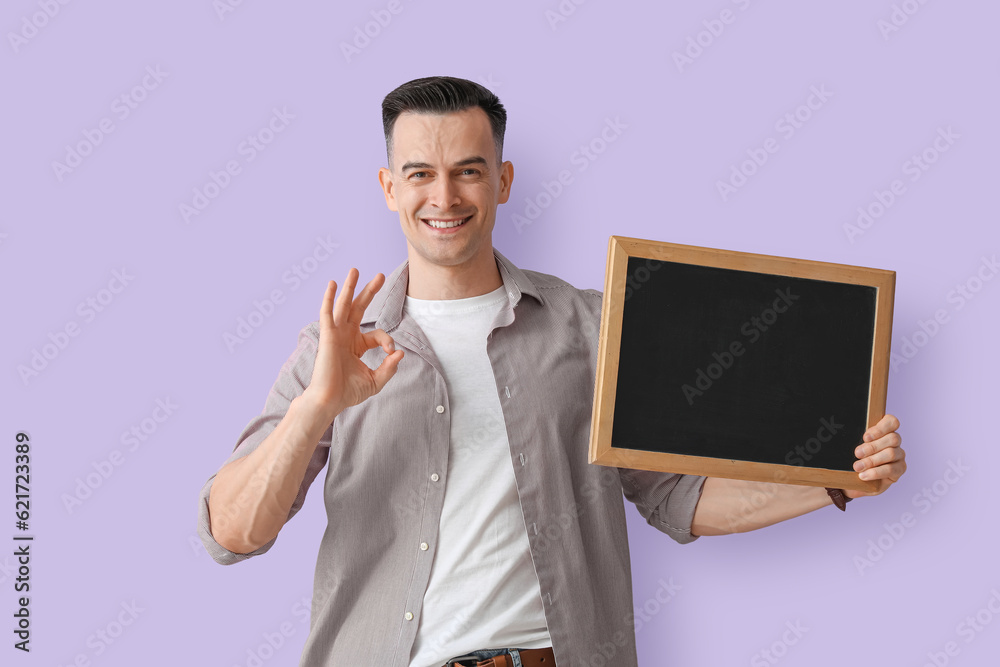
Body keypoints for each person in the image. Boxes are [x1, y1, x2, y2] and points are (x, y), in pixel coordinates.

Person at [197, 76, 906, 667]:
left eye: (468, 170)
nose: (444, 197)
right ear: (389, 186)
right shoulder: (336, 347)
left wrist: (831, 477)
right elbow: (229, 532)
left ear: (502, 181)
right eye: (420, 173)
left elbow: (678, 497)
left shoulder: (595, 327)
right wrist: (316, 405)